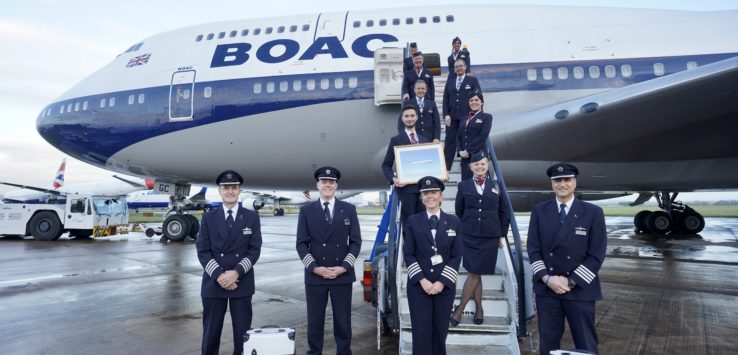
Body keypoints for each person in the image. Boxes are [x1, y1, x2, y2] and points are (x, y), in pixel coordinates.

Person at [527, 163, 607, 355]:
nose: (562, 184)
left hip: (580, 289)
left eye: (567, 180)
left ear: (574, 182)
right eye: (557, 180)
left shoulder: (593, 212)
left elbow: (596, 254)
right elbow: (533, 250)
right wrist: (547, 278)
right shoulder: (540, 211)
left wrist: (570, 281)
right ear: (552, 184)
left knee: (585, 343)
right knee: (548, 345)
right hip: (548, 290)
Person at [296, 166, 362, 355]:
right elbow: (301, 244)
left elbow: (355, 242)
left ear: (336, 185)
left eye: (331, 182)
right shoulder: (307, 211)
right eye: (324, 182)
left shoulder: (348, 209)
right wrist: (314, 268)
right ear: (317, 184)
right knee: (315, 322)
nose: (328, 185)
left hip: (341, 275)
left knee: (343, 322)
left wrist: (344, 267)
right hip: (316, 276)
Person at [196, 170, 262, 355]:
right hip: (213, 283)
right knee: (210, 334)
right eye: (226, 188)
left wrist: (236, 273)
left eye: (234, 188)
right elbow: (203, 251)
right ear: (220, 191)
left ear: (239, 190)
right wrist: (220, 276)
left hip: (241, 283)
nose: (230, 191)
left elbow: (254, 250)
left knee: (243, 336)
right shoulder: (209, 218)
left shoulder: (251, 217)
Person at [403, 176, 463, 355]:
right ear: (421, 198)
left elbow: (456, 255)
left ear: (441, 196)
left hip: (443, 288)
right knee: (421, 332)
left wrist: (442, 282)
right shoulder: (413, 221)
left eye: (434, 192)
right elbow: (409, 254)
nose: (430, 196)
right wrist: (423, 281)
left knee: (440, 331)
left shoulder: (454, 222)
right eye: (425, 193)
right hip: (419, 287)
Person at [451, 151, 511, 326]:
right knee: (474, 272)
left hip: (489, 236)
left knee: (474, 273)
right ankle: (478, 308)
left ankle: (460, 310)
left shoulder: (497, 185)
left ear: (487, 166)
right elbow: (459, 210)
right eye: (476, 164)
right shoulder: (463, 186)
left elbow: (504, 211)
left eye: (483, 164)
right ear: (471, 167)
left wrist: (501, 234)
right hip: (469, 235)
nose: (480, 167)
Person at [382, 105, 429, 223]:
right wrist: (393, 179)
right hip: (407, 189)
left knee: (424, 223)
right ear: (402, 119)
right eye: (406, 116)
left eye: (412, 115)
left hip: (424, 189)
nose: (409, 118)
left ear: (417, 118)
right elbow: (385, 165)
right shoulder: (396, 140)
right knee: (409, 223)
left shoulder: (424, 140)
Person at [442, 59, 481, 171]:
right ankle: (446, 167)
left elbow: (478, 98)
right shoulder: (450, 81)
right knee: (450, 142)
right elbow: (446, 99)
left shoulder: (472, 81)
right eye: (456, 66)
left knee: (465, 141)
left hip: (467, 116)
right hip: (452, 117)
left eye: (460, 66)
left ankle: (465, 166)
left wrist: (475, 115)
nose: (458, 68)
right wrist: (446, 115)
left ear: (465, 67)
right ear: (454, 69)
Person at [456, 92, 492, 181]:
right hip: (465, 157)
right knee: (466, 183)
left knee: (480, 183)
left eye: (476, 100)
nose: (474, 102)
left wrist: (468, 150)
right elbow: (458, 136)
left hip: (479, 156)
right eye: (471, 100)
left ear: (482, 102)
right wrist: (460, 150)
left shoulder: (486, 117)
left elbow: (483, 136)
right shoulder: (464, 118)